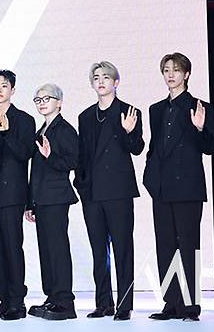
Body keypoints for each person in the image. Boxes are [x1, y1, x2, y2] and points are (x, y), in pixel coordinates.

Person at [143, 53, 214, 322]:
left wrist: (200, 128)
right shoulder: (156, 109)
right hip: (161, 188)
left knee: (188, 246)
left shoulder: (200, 106)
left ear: (186, 74)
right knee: (165, 246)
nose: (170, 74)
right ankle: (171, 303)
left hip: (188, 187)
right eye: (166, 70)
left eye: (176, 69)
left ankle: (190, 305)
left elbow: (210, 147)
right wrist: (150, 176)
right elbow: (155, 147)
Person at [75, 61, 144, 321]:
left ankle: (124, 304)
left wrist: (128, 132)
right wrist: (81, 185)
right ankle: (103, 303)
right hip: (92, 193)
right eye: (96, 77)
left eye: (106, 77)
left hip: (118, 192)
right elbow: (82, 155)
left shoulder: (129, 111)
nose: (101, 81)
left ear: (116, 82)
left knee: (123, 249)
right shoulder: (85, 116)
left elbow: (137, 148)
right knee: (98, 250)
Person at [0, 70, 35, 321]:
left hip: (12, 195)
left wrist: (6, 133)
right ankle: (4, 301)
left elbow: (25, 153)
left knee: (13, 248)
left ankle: (17, 302)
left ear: (13, 90)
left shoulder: (24, 120)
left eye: (4, 85)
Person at [26, 83, 79, 321]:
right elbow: (35, 171)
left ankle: (65, 301)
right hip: (42, 199)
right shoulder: (41, 131)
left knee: (57, 249)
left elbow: (73, 161)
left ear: (59, 102)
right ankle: (52, 297)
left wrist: (51, 156)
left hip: (57, 198)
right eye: (38, 100)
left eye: (47, 98)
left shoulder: (65, 130)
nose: (42, 103)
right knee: (46, 250)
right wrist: (30, 202)